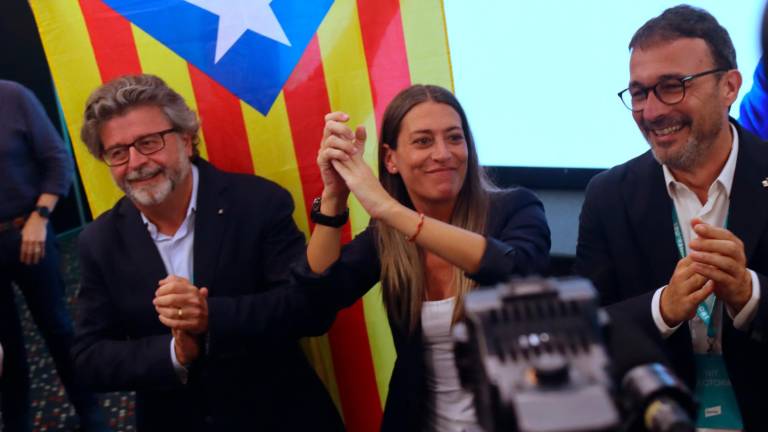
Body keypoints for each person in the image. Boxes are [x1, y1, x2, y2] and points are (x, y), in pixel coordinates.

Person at [73, 74, 343, 431]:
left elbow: (307, 311)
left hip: (280, 413)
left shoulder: (259, 202)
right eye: (118, 153)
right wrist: (176, 353)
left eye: (149, 143)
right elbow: (88, 358)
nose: (136, 162)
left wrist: (209, 317)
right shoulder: (99, 241)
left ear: (186, 140)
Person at [295, 84, 550, 431]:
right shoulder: (386, 235)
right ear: (391, 159)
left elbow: (512, 268)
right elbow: (313, 305)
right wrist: (334, 198)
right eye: (423, 141)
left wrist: (387, 208)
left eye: (454, 138)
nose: (443, 153)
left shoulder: (515, 207)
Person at [575, 5, 768, 430]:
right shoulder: (609, 196)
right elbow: (587, 334)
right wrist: (662, 308)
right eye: (640, 93)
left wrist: (749, 294)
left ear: (729, 86)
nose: (653, 110)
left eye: (672, 86)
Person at [0, 80, 109, 431]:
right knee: (5, 345)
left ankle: (89, 409)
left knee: (57, 327)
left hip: (28, 229)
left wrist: (40, 218)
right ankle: (17, 419)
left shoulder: (13, 96)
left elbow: (58, 160)